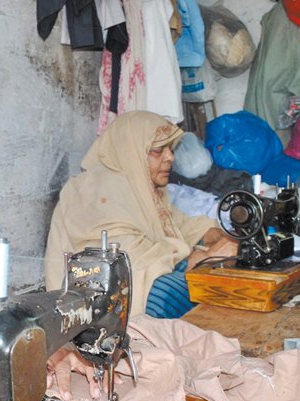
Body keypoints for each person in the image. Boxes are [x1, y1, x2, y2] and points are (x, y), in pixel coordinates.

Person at [45, 110, 237, 319]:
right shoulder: (96, 188)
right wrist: (197, 258)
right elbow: (124, 261)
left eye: (169, 149)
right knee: (174, 292)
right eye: (157, 150)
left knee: (215, 270)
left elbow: (175, 225)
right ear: (131, 151)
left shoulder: (144, 186)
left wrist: (215, 235)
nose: (170, 157)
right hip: (99, 299)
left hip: (143, 272)